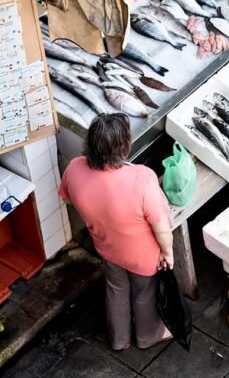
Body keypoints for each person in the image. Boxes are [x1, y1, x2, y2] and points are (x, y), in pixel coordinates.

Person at [59, 113, 174, 351]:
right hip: (142, 256)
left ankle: (119, 340)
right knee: (144, 293)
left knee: (116, 289)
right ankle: (147, 337)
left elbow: (68, 199)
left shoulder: (73, 168)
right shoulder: (142, 178)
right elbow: (161, 228)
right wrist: (168, 252)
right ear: (125, 146)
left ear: (89, 144)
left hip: (107, 248)